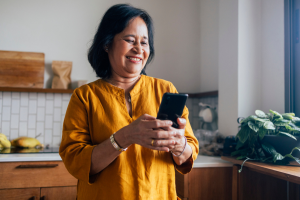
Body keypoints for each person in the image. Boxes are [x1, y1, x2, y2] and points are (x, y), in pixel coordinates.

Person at [59, 4, 199, 200]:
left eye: (144, 42)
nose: (138, 49)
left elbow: (189, 151)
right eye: (130, 40)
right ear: (107, 44)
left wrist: (179, 145)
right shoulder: (85, 96)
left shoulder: (165, 90)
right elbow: (75, 161)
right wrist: (124, 137)